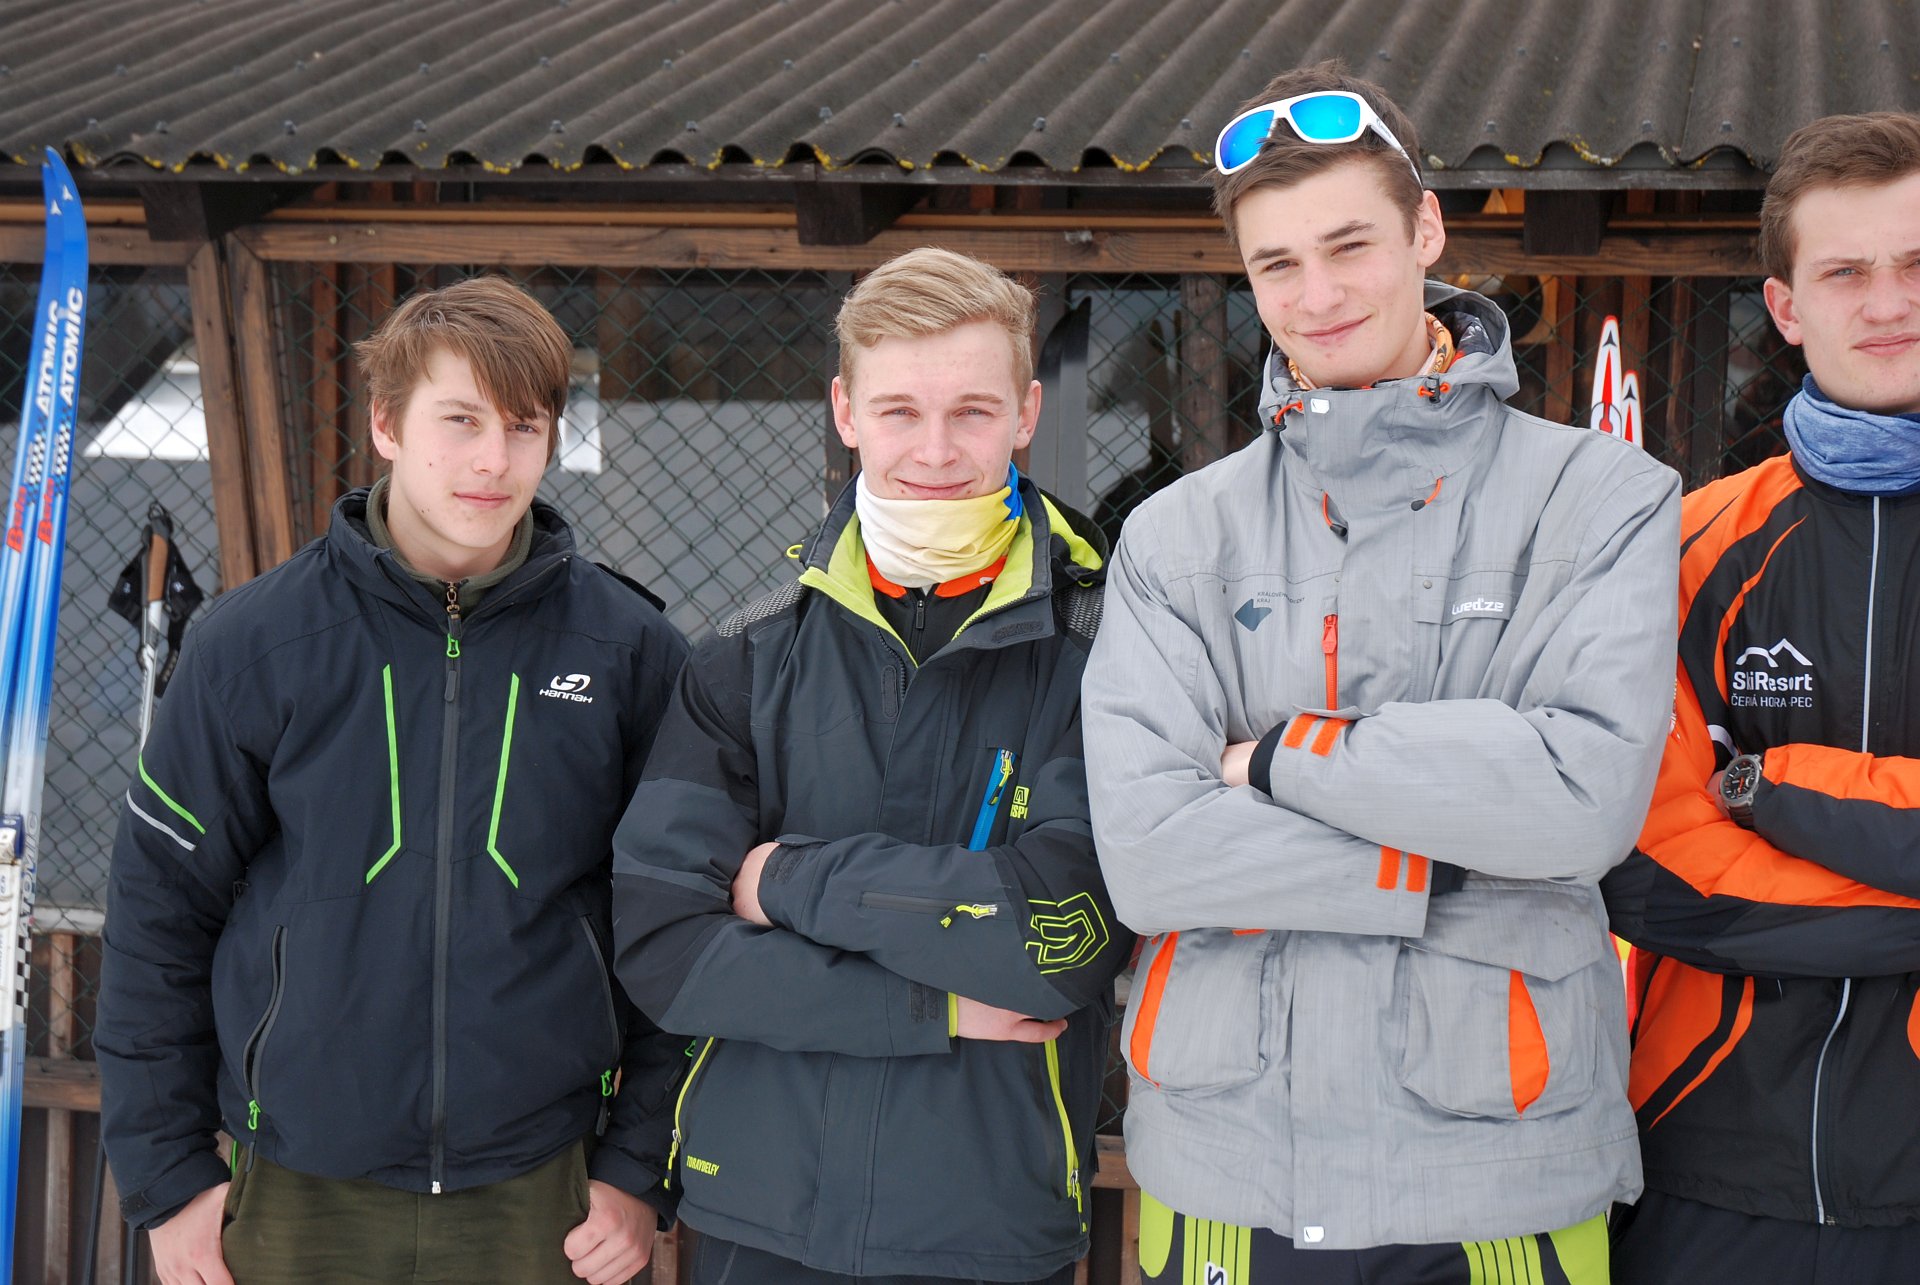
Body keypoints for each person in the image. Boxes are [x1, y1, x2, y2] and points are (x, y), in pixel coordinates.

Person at [1082, 62, 1681, 1284]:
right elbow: (1148, 856)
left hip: (1501, 1171)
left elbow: (1581, 801)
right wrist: (1446, 846)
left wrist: (1276, 761)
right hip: (1228, 1166)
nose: (1316, 295)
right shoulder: (1175, 535)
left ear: (1426, 230)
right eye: (1276, 265)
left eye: (1349, 244)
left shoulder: (1599, 497)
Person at [96, 276, 689, 1285]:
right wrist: (168, 1178)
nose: (493, 460)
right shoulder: (255, 643)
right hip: (295, 1186)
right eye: (460, 420)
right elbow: (159, 913)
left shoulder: (629, 651)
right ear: (386, 424)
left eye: (524, 426)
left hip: (542, 1187)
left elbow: (681, 922)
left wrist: (638, 1167)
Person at [609, 246, 1129, 1285]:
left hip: (988, 1220)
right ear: (846, 411)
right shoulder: (746, 659)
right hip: (756, 1217)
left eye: (972, 411)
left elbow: (1061, 939)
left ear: (1026, 413)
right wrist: (938, 1006)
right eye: (900, 411)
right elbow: (668, 949)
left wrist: (787, 881)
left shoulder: (1103, 653)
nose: (934, 450)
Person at [1604, 111, 1920, 1284]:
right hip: (1714, 1154)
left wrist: (1765, 786)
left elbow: (1712, 830)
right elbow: (1650, 868)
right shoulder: (1687, 549)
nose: (1887, 303)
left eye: (1916, 265)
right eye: (1845, 272)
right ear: (1786, 307)